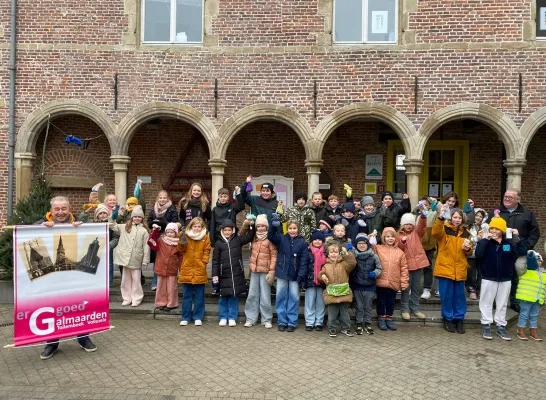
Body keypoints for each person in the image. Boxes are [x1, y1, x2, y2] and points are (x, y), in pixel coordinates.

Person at [36, 196, 97, 360]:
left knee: (79, 307)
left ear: (69, 209)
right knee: (52, 309)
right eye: (57, 209)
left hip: (74, 277)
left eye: (64, 209)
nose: (60, 212)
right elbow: (28, 236)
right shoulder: (40, 224)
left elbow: (96, 237)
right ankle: (52, 343)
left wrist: (83, 228)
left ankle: (83, 338)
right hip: (52, 279)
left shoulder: (78, 223)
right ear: (51, 210)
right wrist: (40, 229)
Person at [476, 217, 526, 341]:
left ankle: (500, 326)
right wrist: (484, 241)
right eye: (492, 228)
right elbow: (479, 255)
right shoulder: (486, 242)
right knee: (486, 302)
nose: (493, 231)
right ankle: (486, 324)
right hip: (489, 276)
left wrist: (518, 238)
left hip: (505, 278)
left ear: (502, 230)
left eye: (497, 229)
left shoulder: (508, 243)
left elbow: (521, 251)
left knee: (502, 303)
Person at [492, 189, 540, 313]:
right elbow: (489, 229)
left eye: (510, 197)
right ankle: (496, 301)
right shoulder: (497, 211)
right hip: (502, 249)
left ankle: (514, 301)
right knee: (500, 274)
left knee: (516, 275)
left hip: (519, 249)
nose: (506, 199)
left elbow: (535, 232)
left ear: (518, 199)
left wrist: (526, 246)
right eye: (505, 196)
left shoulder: (527, 213)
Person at [432, 206, 473, 334]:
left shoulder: (466, 232)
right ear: (451, 218)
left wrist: (468, 249)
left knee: (460, 296)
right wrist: (440, 217)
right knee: (447, 296)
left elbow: (469, 252)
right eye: (455, 217)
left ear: (462, 219)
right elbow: (435, 233)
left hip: (460, 269)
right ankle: (448, 318)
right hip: (446, 268)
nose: (457, 220)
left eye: (459, 217)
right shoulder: (444, 229)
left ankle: (459, 319)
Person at [212, 219, 255, 327]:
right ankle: (223, 316)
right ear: (222, 230)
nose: (227, 232)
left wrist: (251, 226)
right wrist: (215, 274)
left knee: (233, 296)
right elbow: (215, 261)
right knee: (223, 297)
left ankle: (232, 317)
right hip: (223, 274)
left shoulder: (237, 240)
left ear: (233, 230)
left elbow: (249, 237)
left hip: (236, 273)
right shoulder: (218, 243)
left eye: (229, 230)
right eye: (225, 230)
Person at [269, 216, 309, 332]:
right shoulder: (282, 238)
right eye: (290, 228)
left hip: (295, 275)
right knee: (281, 297)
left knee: (294, 298)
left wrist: (301, 274)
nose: (292, 230)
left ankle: (292, 321)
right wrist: (273, 226)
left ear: (298, 229)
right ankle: (282, 321)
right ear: (287, 229)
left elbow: (304, 260)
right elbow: (271, 236)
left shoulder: (302, 242)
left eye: (294, 228)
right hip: (282, 272)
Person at [110, 205, 150, 307]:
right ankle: (126, 298)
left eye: (139, 217)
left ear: (142, 218)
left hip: (136, 258)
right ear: (132, 217)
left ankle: (136, 298)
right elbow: (112, 224)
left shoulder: (144, 231)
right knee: (125, 280)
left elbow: (146, 246)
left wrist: (145, 260)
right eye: (135, 216)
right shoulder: (124, 227)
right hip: (124, 257)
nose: (137, 218)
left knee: (136, 280)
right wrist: (116, 213)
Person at [244, 214, 277, 329]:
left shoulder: (270, 239)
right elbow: (242, 235)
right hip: (254, 270)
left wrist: (272, 271)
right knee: (252, 294)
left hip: (265, 271)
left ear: (267, 227)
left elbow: (274, 256)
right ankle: (251, 318)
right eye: (259, 226)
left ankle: (266, 319)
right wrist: (247, 224)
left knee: (265, 296)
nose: (261, 228)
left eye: (263, 226)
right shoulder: (254, 237)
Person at [318, 242, 357, 338]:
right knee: (332, 314)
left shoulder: (344, 264)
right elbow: (320, 274)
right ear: (328, 254)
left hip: (343, 292)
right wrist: (322, 276)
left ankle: (346, 328)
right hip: (331, 294)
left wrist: (346, 254)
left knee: (345, 313)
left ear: (339, 253)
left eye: (336, 252)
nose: (334, 254)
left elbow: (352, 263)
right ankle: (332, 328)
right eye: (331, 252)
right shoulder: (326, 265)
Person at [373, 228, 409, 331]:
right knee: (381, 301)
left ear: (396, 238)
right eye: (387, 236)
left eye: (392, 236)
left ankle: (389, 317)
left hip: (394, 282)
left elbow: (404, 268)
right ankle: (381, 318)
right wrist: (371, 238)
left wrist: (404, 282)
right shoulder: (378, 248)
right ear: (384, 237)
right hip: (381, 281)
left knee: (390, 302)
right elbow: (370, 248)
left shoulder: (400, 252)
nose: (390, 238)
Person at [178, 217, 211, 326]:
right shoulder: (186, 236)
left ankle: (198, 316)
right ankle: (185, 317)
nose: (197, 228)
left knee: (199, 296)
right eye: (195, 226)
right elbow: (181, 250)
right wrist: (181, 241)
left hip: (199, 269)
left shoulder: (205, 237)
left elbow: (207, 250)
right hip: (187, 269)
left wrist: (204, 262)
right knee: (187, 296)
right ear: (191, 227)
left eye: (199, 227)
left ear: (202, 228)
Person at [398, 211, 428, 320]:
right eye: (406, 224)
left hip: (418, 265)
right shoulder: (399, 235)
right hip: (406, 266)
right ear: (402, 224)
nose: (409, 226)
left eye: (411, 224)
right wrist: (403, 242)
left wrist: (423, 217)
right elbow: (399, 248)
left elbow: (422, 227)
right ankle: (404, 309)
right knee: (406, 288)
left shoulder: (416, 233)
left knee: (415, 289)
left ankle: (415, 309)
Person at [349, 235, 382, 335]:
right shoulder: (354, 255)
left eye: (364, 243)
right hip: (357, 285)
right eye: (359, 243)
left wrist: (375, 273)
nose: (362, 245)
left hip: (370, 286)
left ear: (367, 245)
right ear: (356, 245)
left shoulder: (374, 256)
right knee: (359, 306)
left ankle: (368, 322)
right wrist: (349, 251)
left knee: (368, 306)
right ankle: (359, 322)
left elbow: (379, 268)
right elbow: (348, 264)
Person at [147, 190, 179, 291]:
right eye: (160, 197)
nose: (162, 199)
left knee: (167, 260)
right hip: (156, 237)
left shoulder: (172, 209)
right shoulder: (153, 209)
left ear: (167, 198)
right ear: (158, 198)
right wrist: (152, 224)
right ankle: (155, 282)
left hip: (167, 237)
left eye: (164, 197)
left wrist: (161, 224)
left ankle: (166, 283)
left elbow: (174, 222)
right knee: (157, 260)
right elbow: (148, 221)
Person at [147, 223, 182, 311]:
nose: (169, 234)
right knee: (161, 286)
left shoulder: (178, 243)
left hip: (172, 267)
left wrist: (181, 269)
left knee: (171, 287)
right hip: (161, 266)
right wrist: (155, 232)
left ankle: (171, 303)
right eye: (168, 232)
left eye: (172, 232)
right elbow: (151, 242)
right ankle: (161, 302)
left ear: (176, 233)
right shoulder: (161, 240)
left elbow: (181, 256)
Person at [515, 251, 545, 341]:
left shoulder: (544, 273)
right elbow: (519, 265)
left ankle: (533, 332)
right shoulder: (525, 270)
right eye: (536, 260)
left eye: (540, 260)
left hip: (537, 299)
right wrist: (526, 255)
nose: (538, 262)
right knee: (524, 314)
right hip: (526, 298)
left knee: (534, 315)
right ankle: (520, 330)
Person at [301, 230, 327, 332]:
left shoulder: (325, 253)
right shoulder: (307, 252)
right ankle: (309, 322)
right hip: (310, 280)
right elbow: (304, 265)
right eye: (315, 239)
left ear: (322, 241)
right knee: (310, 302)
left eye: (319, 240)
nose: (317, 241)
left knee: (320, 302)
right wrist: (302, 278)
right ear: (311, 241)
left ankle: (319, 322)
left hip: (322, 281)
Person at [465, 206, 489, 300]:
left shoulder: (485, 227)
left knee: (481, 273)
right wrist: (476, 239)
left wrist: (483, 238)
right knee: (470, 273)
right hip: (471, 253)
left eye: (480, 216)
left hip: (482, 253)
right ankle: (472, 290)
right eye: (477, 215)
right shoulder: (469, 227)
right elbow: (467, 240)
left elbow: (488, 239)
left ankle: (480, 290)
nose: (478, 218)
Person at [417, 196, 438, 299]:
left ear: (429, 206)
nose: (423, 206)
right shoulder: (415, 214)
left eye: (426, 204)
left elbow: (440, 212)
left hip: (428, 245)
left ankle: (427, 288)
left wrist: (436, 203)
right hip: (416, 244)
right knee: (415, 267)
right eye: (421, 204)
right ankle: (414, 287)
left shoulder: (433, 214)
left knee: (427, 267)